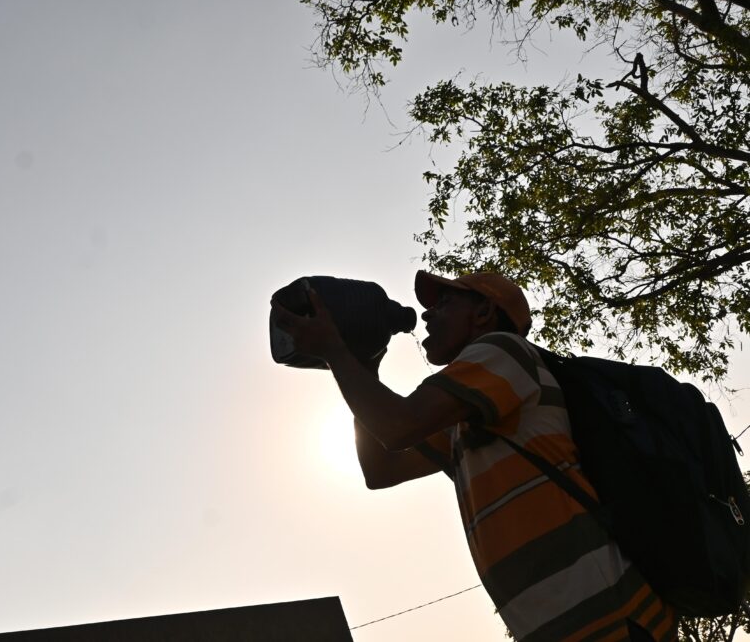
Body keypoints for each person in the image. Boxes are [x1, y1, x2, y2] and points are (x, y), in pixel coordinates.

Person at [270, 270, 677, 642]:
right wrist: (364, 363)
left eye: (443, 303)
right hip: (562, 625)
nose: (427, 317)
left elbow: (397, 427)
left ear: (484, 312)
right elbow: (381, 469)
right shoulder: (466, 418)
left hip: (608, 615)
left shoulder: (503, 351)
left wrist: (337, 354)